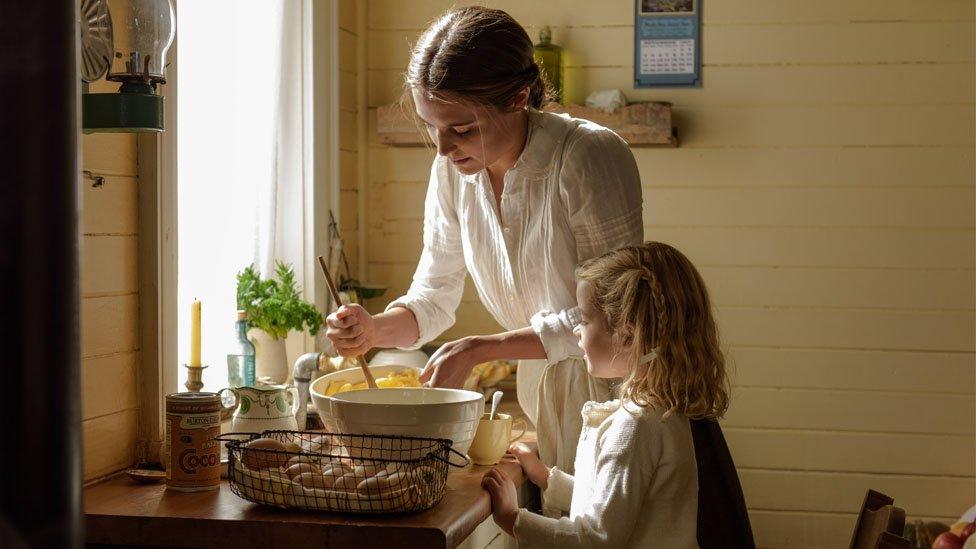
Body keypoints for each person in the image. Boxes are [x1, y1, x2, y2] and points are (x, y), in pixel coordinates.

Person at [325, 6, 643, 475]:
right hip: (540, 401)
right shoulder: (453, 174)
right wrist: (373, 329)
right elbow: (434, 297)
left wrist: (482, 347)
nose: (443, 148)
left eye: (462, 129)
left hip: (617, 398)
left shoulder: (587, 157)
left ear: (518, 97)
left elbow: (616, 315)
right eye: (431, 126)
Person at [482, 242, 754, 548]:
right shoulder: (664, 409)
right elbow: (618, 505)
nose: (577, 331)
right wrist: (547, 477)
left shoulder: (635, 427)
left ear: (627, 335)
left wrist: (510, 517)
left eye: (584, 320)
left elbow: (596, 539)